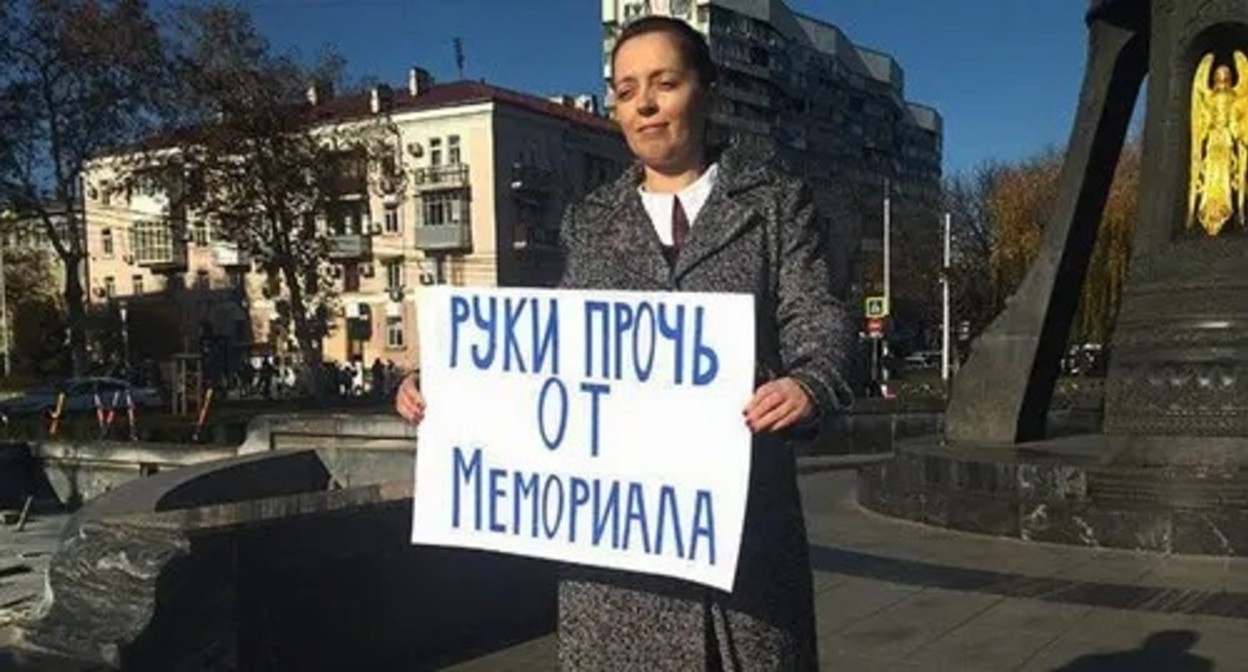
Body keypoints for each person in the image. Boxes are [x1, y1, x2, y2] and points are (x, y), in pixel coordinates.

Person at [397, 15, 851, 670]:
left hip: (739, 543)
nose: (643, 104)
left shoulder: (775, 204)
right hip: (616, 569)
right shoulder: (590, 219)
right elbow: (549, 357)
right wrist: (445, 386)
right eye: (625, 88)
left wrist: (809, 384)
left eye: (664, 82)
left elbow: (818, 318)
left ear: (707, 90)